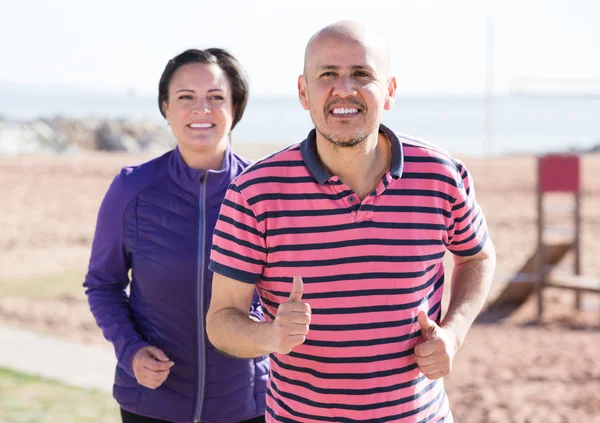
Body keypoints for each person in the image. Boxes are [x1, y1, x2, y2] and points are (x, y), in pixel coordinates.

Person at [206, 21, 496, 422]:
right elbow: (221, 321)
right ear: (303, 92)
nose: (344, 89)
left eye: (362, 74)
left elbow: (478, 258)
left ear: (389, 91)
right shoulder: (254, 193)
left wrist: (453, 332)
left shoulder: (441, 174)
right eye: (327, 75)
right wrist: (270, 335)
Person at [84, 48, 269, 423]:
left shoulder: (262, 192)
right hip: (151, 403)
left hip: (249, 406)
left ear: (236, 107)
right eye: (186, 97)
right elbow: (103, 284)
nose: (201, 109)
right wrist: (131, 350)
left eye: (216, 98)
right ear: (166, 107)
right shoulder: (130, 189)